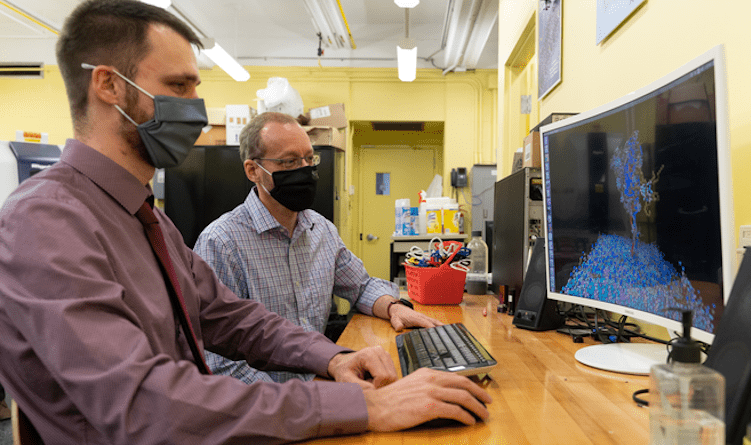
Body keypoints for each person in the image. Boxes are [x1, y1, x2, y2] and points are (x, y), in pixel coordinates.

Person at [0, 1, 491, 443]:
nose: (194, 109)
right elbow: (141, 402)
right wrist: (361, 405)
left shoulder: (145, 218)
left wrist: (332, 358)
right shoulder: (45, 221)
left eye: (195, 87)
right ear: (108, 85)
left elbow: (231, 318)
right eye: (176, 87)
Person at [194, 111, 443, 384]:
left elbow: (360, 286)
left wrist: (394, 307)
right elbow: (220, 365)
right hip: (271, 404)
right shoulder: (221, 243)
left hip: (321, 378)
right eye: (289, 161)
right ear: (253, 170)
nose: (305, 169)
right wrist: (310, 398)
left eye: (309, 159)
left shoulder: (321, 230)